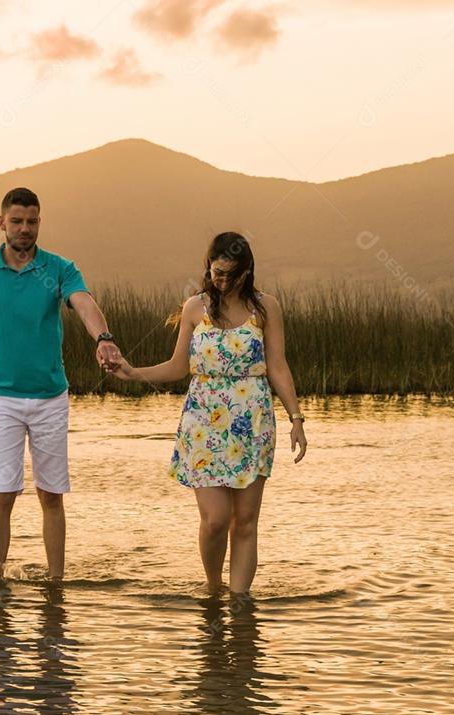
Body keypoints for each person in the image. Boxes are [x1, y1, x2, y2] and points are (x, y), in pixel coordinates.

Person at [111, 232, 307, 596]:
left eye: (231, 275)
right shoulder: (195, 308)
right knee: (216, 520)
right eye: (217, 273)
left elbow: (277, 366)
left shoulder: (266, 308)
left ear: (246, 273)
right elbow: (177, 366)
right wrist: (133, 372)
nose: (222, 281)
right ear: (208, 267)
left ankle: (239, 602)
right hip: (203, 422)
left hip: (253, 421)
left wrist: (297, 419)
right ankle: (214, 590)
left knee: (245, 523)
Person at [0, 187, 120, 581]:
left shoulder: (58, 269)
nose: (25, 229)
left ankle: (56, 584)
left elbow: (84, 303)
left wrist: (103, 339)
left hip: (50, 398)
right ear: (1, 222)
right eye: (18, 221)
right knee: (2, 494)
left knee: (51, 495)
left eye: (32, 221)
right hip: (1, 398)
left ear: (40, 222)